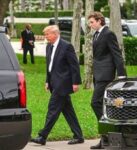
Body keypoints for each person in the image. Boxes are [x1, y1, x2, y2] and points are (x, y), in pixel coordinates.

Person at [31, 25, 84, 145]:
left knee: (53, 108)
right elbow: (49, 66)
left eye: (47, 34)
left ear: (55, 34)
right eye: (45, 35)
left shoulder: (66, 46)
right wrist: (47, 81)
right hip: (54, 82)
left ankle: (42, 136)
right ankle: (79, 136)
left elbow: (74, 66)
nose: (46, 37)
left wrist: (75, 82)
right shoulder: (49, 46)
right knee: (68, 111)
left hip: (63, 83)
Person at [88, 12, 127, 149]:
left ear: (99, 21)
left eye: (92, 22)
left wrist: (122, 75)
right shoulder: (96, 35)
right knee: (104, 105)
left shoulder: (108, 34)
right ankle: (105, 138)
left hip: (105, 75)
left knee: (95, 103)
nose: (90, 24)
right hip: (98, 75)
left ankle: (108, 129)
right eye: (90, 22)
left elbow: (117, 54)